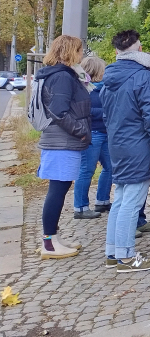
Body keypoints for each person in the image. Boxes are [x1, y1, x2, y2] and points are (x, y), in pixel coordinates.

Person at [101, 30, 150, 272]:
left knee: (121, 200)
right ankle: (126, 257)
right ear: (140, 49)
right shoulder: (144, 76)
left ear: (117, 52)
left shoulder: (109, 76)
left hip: (118, 144)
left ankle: (113, 253)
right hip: (138, 145)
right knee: (131, 202)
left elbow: (106, 115)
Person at [35, 35, 91, 259]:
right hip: (62, 142)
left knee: (59, 189)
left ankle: (54, 238)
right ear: (70, 51)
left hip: (61, 141)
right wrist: (80, 130)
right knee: (57, 191)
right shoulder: (62, 76)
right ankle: (49, 244)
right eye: (79, 50)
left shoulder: (59, 74)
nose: (82, 54)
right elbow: (59, 111)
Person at [73, 56, 112, 219]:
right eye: (102, 69)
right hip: (91, 133)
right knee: (87, 170)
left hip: (105, 133)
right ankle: (80, 207)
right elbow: (84, 111)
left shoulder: (105, 88)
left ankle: (102, 200)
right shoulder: (83, 89)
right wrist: (105, 113)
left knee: (110, 167)